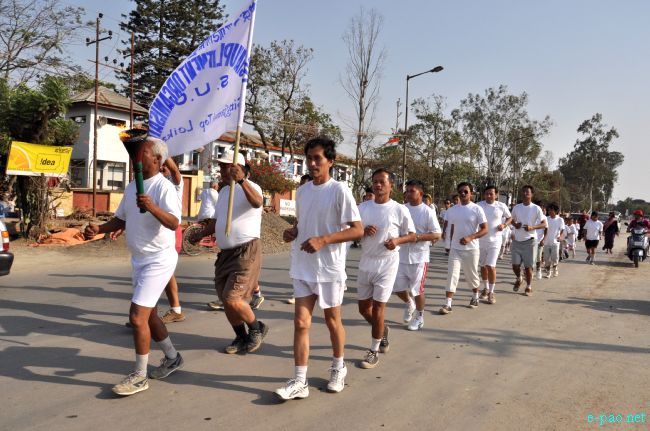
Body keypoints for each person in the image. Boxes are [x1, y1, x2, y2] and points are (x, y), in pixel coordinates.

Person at [84, 135, 183, 396]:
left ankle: (140, 376)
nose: (136, 157)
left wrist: (151, 207)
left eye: (142, 153)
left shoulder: (163, 187)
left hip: (159, 258)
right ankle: (172, 357)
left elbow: (174, 223)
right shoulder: (131, 187)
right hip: (139, 258)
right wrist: (98, 229)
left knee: (137, 317)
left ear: (157, 159)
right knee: (149, 316)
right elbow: (121, 220)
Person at [274, 137, 363, 400]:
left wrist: (324, 240)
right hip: (303, 266)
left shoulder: (339, 190)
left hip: (329, 268)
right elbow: (303, 224)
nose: (312, 163)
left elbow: (357, 230)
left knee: (332, 321)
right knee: (301, 323)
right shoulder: (302, 191)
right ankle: (300, 381)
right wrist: (294, 232)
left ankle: (338, 367)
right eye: (309, 158)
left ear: (330, 161)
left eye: (317, 159)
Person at [191, 150, 268, 354]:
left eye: (226, 166)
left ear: (239, 168)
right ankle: (240, 336)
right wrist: (200, 234)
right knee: (226, 300)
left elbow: (258, 202)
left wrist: (241, 181)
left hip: (246, 251)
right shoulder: (224, 192)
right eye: (222, 166)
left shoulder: (252, 187)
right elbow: (217, 221)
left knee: (232, 298)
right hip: (225, 253)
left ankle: (257, 328)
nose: (222, 170)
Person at [356, 168, 415, 367]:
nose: (378, 185)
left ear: (391, 186)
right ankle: (382, 330)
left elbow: (412, 235)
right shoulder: (363, 207)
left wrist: (397, 241)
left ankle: (373, 350)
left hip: (387, 262)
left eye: (382, 181)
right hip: (366, 260)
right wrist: (363, 231)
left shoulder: (399, 209)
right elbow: (353, 232)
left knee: (379, 307)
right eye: (375, 181)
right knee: (363, 309)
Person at [393, 179, 441, 331]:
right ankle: (409, 303)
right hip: (400, 256)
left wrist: (417, 237)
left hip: (419, 258)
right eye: (407, 191)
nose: (408, 193)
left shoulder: (427, 212)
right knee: (397, 288)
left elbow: (437, 234)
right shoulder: (401, 209)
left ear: (420, 193)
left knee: (417, 289)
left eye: (411, 191)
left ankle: (419, 317)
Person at [439, 182, 488, 314]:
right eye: (460, 191)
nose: (463, 193)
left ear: (471, 193)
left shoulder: (477, 209)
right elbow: (450, 228)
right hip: (455, 249)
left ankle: (475, 296)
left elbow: (485, 229)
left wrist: (471, 237)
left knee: (471, 275)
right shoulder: (452, 210)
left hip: (471, 249)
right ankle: (448, 304)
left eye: (466, 191)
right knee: (452, 275)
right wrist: (448, 244)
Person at [159, 157, 186, 324]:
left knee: (164, 271)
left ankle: (175, 310)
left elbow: (175, 171)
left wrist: (164, 150)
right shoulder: (156, 184)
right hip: (158, 233)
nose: (162, 168)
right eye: (159, 164)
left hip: (172, 231)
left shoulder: (175, 184)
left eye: (165, 165)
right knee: (164, 272)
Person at [510, 185, 547, 296]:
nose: (525, 193)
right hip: (517, 240)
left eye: (527, 192)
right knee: (515, 265)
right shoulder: (517, 207)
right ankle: (519, 278)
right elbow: (510, 219)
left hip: (530, 241)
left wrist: (532, 227)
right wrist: (515, 225)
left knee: (528, 267)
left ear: (532, 194)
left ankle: (529, 286)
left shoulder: (536, 208)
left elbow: (544, 224)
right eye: (524, 191)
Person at [477, 186, 512, 305]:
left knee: (491, 266)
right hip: (481, 240)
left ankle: (492, 292)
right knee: (483, 266)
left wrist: (504, 225)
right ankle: (486, 288)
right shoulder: (479, 205)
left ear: (496, 195)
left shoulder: (501, 206)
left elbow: (510, 217)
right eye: (486, 193)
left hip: (495, 240)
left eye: (491, 194)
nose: (488, 196)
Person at [285, 173, 313, 306]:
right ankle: (297, 293)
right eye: (300, 185)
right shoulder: (300, 197)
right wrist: (293, 230)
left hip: (316, 242)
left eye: (304, 185)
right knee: (297, 265)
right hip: (300, 240)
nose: (301, 188)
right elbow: (297, 219)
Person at [543, 203, 565, 278]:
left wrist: (560, 237)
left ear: (556, 211)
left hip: (555, 242)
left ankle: (555, 269)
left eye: (551, 210)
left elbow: (562, 229)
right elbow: (544, 229)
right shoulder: (546, 219)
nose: (549, 211)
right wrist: (543, 239)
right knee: (546, 258)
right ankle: (548, 272)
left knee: (554, 258)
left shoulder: (560, 219)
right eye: (549, 210)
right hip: (546, 242)